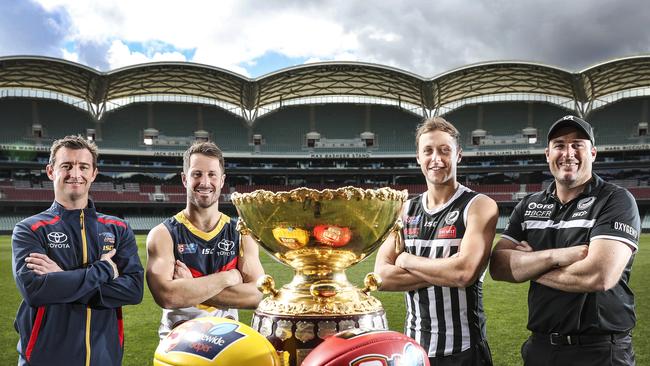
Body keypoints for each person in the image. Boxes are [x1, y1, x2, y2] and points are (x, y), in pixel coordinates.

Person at [490, 115, 640, 366]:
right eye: (559, 145)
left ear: (592, 153)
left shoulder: (616, 200)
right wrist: (555, 257)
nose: (568, 153)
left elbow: (599, 276)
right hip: (541, 349)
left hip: (601, 352)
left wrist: (529, 265)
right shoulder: (528, 205)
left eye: (577, 144)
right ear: (547, 154)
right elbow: (497, 266)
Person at [374, 116, 498, 366]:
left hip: (464, 351)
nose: (437, 159)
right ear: (418, 157)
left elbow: (464, 273)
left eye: (445, 150)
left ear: (458, 155)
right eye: (428, 151)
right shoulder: (404, 210)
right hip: (414, 353)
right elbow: (382, 277)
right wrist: (446, 270)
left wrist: (405, 259)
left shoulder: (479, 206)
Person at [11, 135, 144, 366]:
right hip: (45, 359)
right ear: (51, 171)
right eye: (66, 166)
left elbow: (133, 290)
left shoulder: (118, 228)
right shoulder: (29, 229)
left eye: (83, 167)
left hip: (106, 359)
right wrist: (103, 270)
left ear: (93, 173)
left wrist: (61, 280)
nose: (75, 174)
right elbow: (35, 291)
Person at [146, 141, 264, 340]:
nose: (205, 182)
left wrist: (190, 286)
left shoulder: (241, 233)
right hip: (178, 344)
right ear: (184, 179)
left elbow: (256, 296)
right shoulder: (163, 234)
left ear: (222, 180)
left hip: (227, 342)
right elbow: (167, 296)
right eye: (196, 174)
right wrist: (227, 278)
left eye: (212, 174)